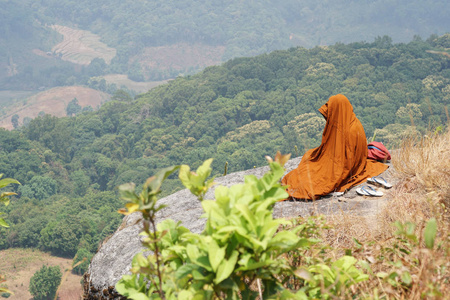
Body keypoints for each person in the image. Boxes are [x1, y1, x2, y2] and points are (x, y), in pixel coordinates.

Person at [281, 94, 388, 200]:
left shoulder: (346, 131)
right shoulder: (353, 123)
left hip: (347, 166)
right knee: (310, 157)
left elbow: (342, 163)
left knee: (303, 180)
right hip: (357, 164)